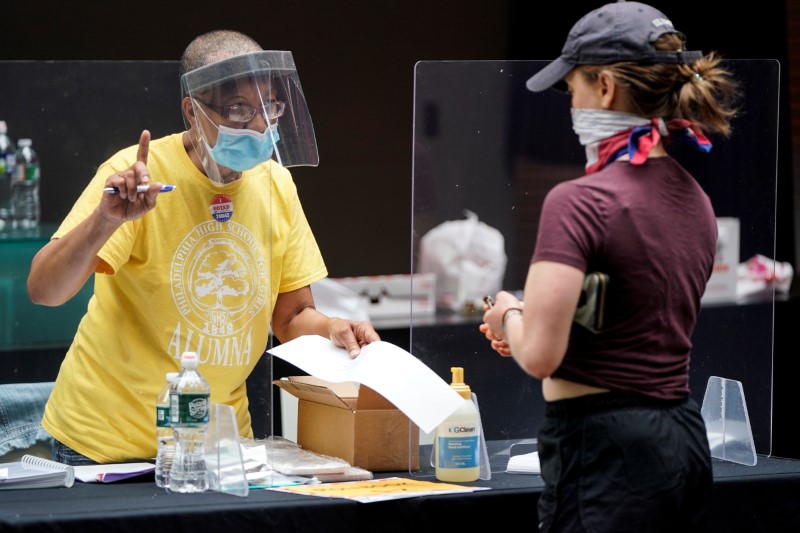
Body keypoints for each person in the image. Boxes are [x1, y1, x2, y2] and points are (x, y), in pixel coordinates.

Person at [27, 30, 380, 466]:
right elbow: (44, 290)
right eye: (237, 110)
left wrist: (331, 328)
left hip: (218, 449)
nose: (258, 125)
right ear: (192, 111)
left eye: (269, 107)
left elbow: (290, 318)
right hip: (105, 447)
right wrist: (105, 220)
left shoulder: (276, 183)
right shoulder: (138, 175)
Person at [480, 2, 741, 531]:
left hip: (604, 446)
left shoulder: (578, 202)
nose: (571, 106)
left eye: (573, 88)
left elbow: (539, 356)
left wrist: (508, 314)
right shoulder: (696, 199)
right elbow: (630, 312)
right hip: (684, 438)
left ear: (603, 87)